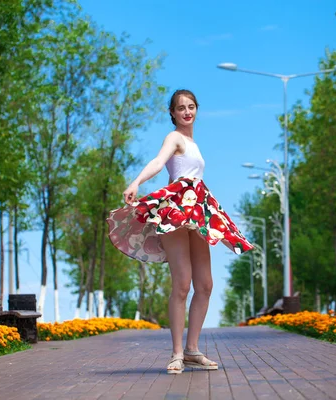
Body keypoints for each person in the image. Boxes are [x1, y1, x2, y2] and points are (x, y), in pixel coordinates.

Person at [107, 89, 253, 374]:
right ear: (172, 113)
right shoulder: (173, 137)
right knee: (182, 284)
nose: (187, 112)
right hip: (175, 210)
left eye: (191, 107)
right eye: (180, 108)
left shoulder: (193, 143)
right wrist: (136, 182)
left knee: (206, 284)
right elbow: (158, 162)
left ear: (197, 109)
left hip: (196, 209)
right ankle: (175, 353)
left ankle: (192, 350)